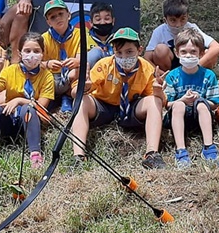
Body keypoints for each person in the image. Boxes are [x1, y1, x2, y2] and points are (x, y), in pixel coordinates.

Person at [70, 28, 167, 169]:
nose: (124, 57)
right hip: (103, 106)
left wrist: (158, 92)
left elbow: (161, 103)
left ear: (139, 50)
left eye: (129, 52)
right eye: (119, 52)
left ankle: (151, 154)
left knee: (154, 100)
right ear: (113, 51)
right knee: (81, 101)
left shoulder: (146, 68)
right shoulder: (104, 65)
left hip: (131, 107)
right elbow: (74, 94)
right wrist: (84, 87)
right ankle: (79, 157)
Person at [0, 32, 54, 172]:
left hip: (29, 124)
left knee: (28, 109)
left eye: (36, 51)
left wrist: (19, 100)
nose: (32, 55)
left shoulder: (47, 76)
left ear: (43, 54)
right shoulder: (10, 71)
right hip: (9, 120)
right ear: (20, 53)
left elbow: (41, 106)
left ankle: (35, 154)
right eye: (27, 51)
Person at [164, 29, 219, 169]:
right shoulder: (172, 76)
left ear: (202, 53)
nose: (188, 55)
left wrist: (198, 100)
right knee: (178, 106)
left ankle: (209, 148)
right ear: (176, 53)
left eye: (193, 52)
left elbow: (214, 104)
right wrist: (182, 100)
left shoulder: (209, 75)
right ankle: (181, 151)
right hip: (178, 117)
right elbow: (167, 104)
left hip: (200, 116)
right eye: (183, 52)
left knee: (201, 104)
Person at [144, 0, 219, 72]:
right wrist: (157, 72)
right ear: (165, 20)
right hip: (171, 66)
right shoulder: (159, 31)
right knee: (160, 49)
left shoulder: (192, 28)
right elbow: (147, 58)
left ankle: (200, 76)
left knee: (208, 53)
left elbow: (217, 48)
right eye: (173, 20)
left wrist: (197, 66)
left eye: (182, 19)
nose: (178, 25)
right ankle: (169, 78)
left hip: (192, 63)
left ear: (187, 17)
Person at [41, 0, 83, 112]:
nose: (58, 18)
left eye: (61, 14)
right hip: (52, 78)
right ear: (48, 22)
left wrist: (75, 61)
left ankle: (67, 97)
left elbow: (81, 58)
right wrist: (48, 64)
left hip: (71, 75)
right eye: (53, 17)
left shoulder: (80, 34)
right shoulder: (44, 38)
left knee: (80, 71)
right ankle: (52, 100)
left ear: (69, 15)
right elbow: (37, 63)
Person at [87, 1, 116, 68]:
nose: (102, 22)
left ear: (113, 21)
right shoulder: (82, 39)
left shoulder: (118, 40)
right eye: (98, 19)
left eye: (107, 19)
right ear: (91, 22)